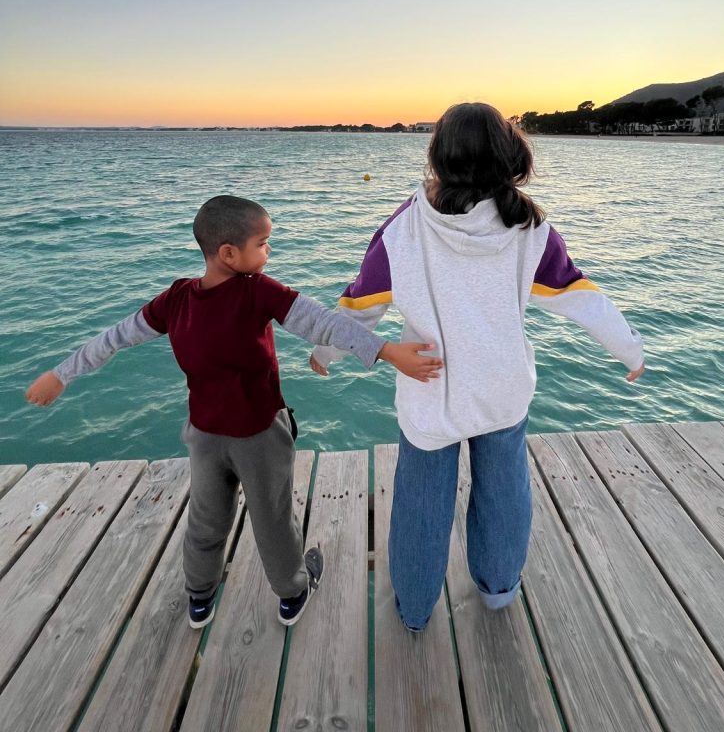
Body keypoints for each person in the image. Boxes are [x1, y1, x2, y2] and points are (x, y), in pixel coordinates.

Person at [25, 194, 442, 630]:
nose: (269, 251)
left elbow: (115, 338)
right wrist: (388, 350)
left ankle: (200, 598)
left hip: (203, 435)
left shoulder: (176, 299)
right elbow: (323, 323)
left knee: (206, 518)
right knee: (272, 519)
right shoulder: (259, 291)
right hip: (259, 434)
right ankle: (293, 592)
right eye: (263, 243)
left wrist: (61, 374)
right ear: (229, 253)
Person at [310, 103, 644, 632]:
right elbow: (579, 295)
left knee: (421, 505)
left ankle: (416, 612)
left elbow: (361, 302)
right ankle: (497, 592)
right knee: (505, 493)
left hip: (430, 391)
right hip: (502, 389)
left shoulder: (404, 227)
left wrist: (325, 349)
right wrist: (631, 349)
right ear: (508, 153)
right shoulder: (528, 225)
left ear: (438, 155)